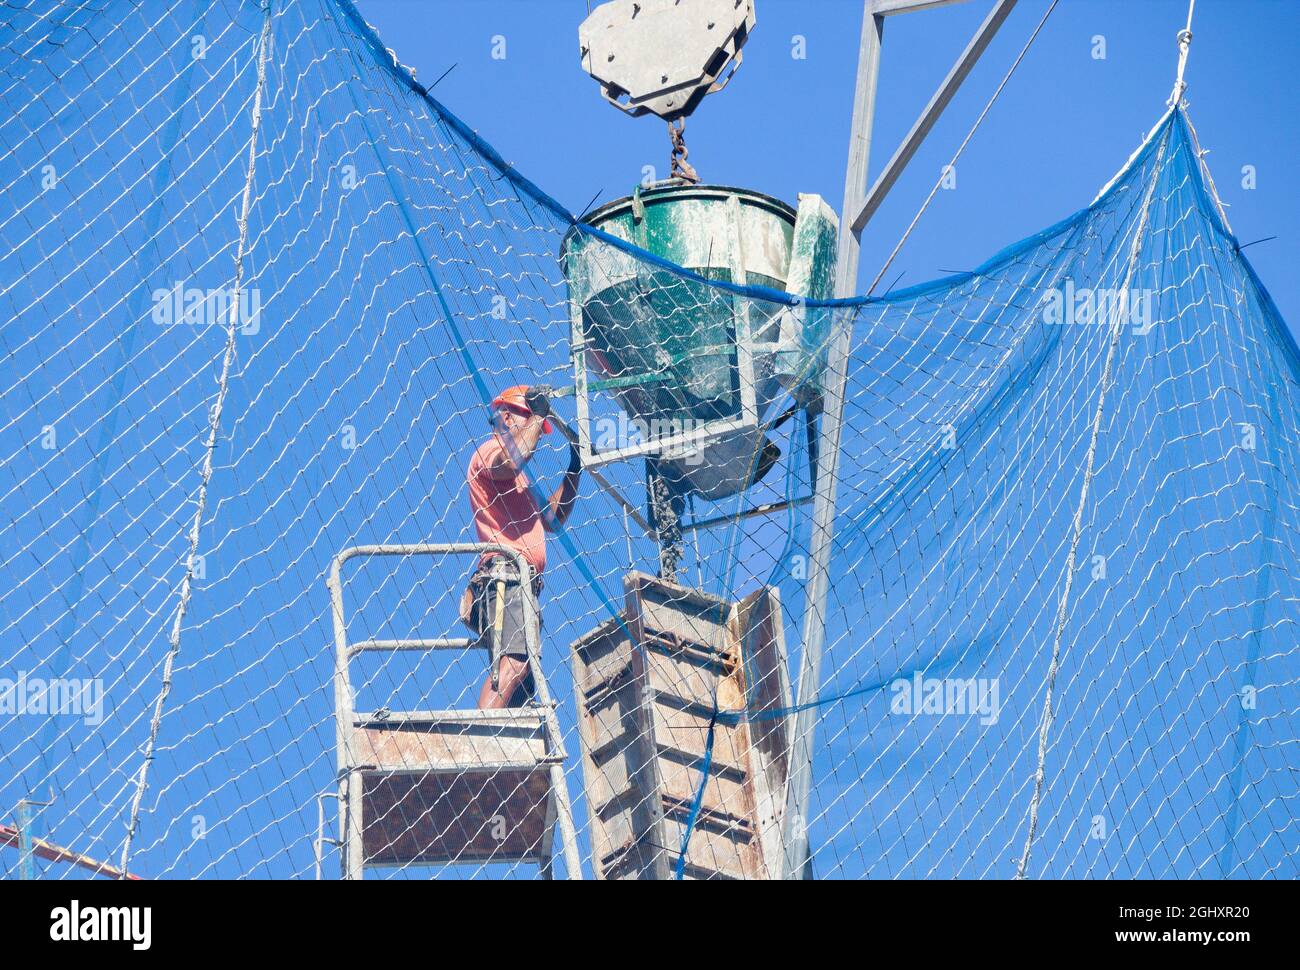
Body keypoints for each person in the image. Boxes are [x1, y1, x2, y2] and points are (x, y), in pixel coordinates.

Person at [463, 385, 581, 708]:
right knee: (514, 662)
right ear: (505, 416)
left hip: (524, 584)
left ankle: (499, 742)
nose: (537, 433)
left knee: (521, 684)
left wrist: (575, 465)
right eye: (526, 418)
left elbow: (553, 518)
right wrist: (540, 413)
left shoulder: (523, 483)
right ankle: (481, 736)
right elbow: (511, 461)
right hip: (506, 577)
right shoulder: (490, 451)